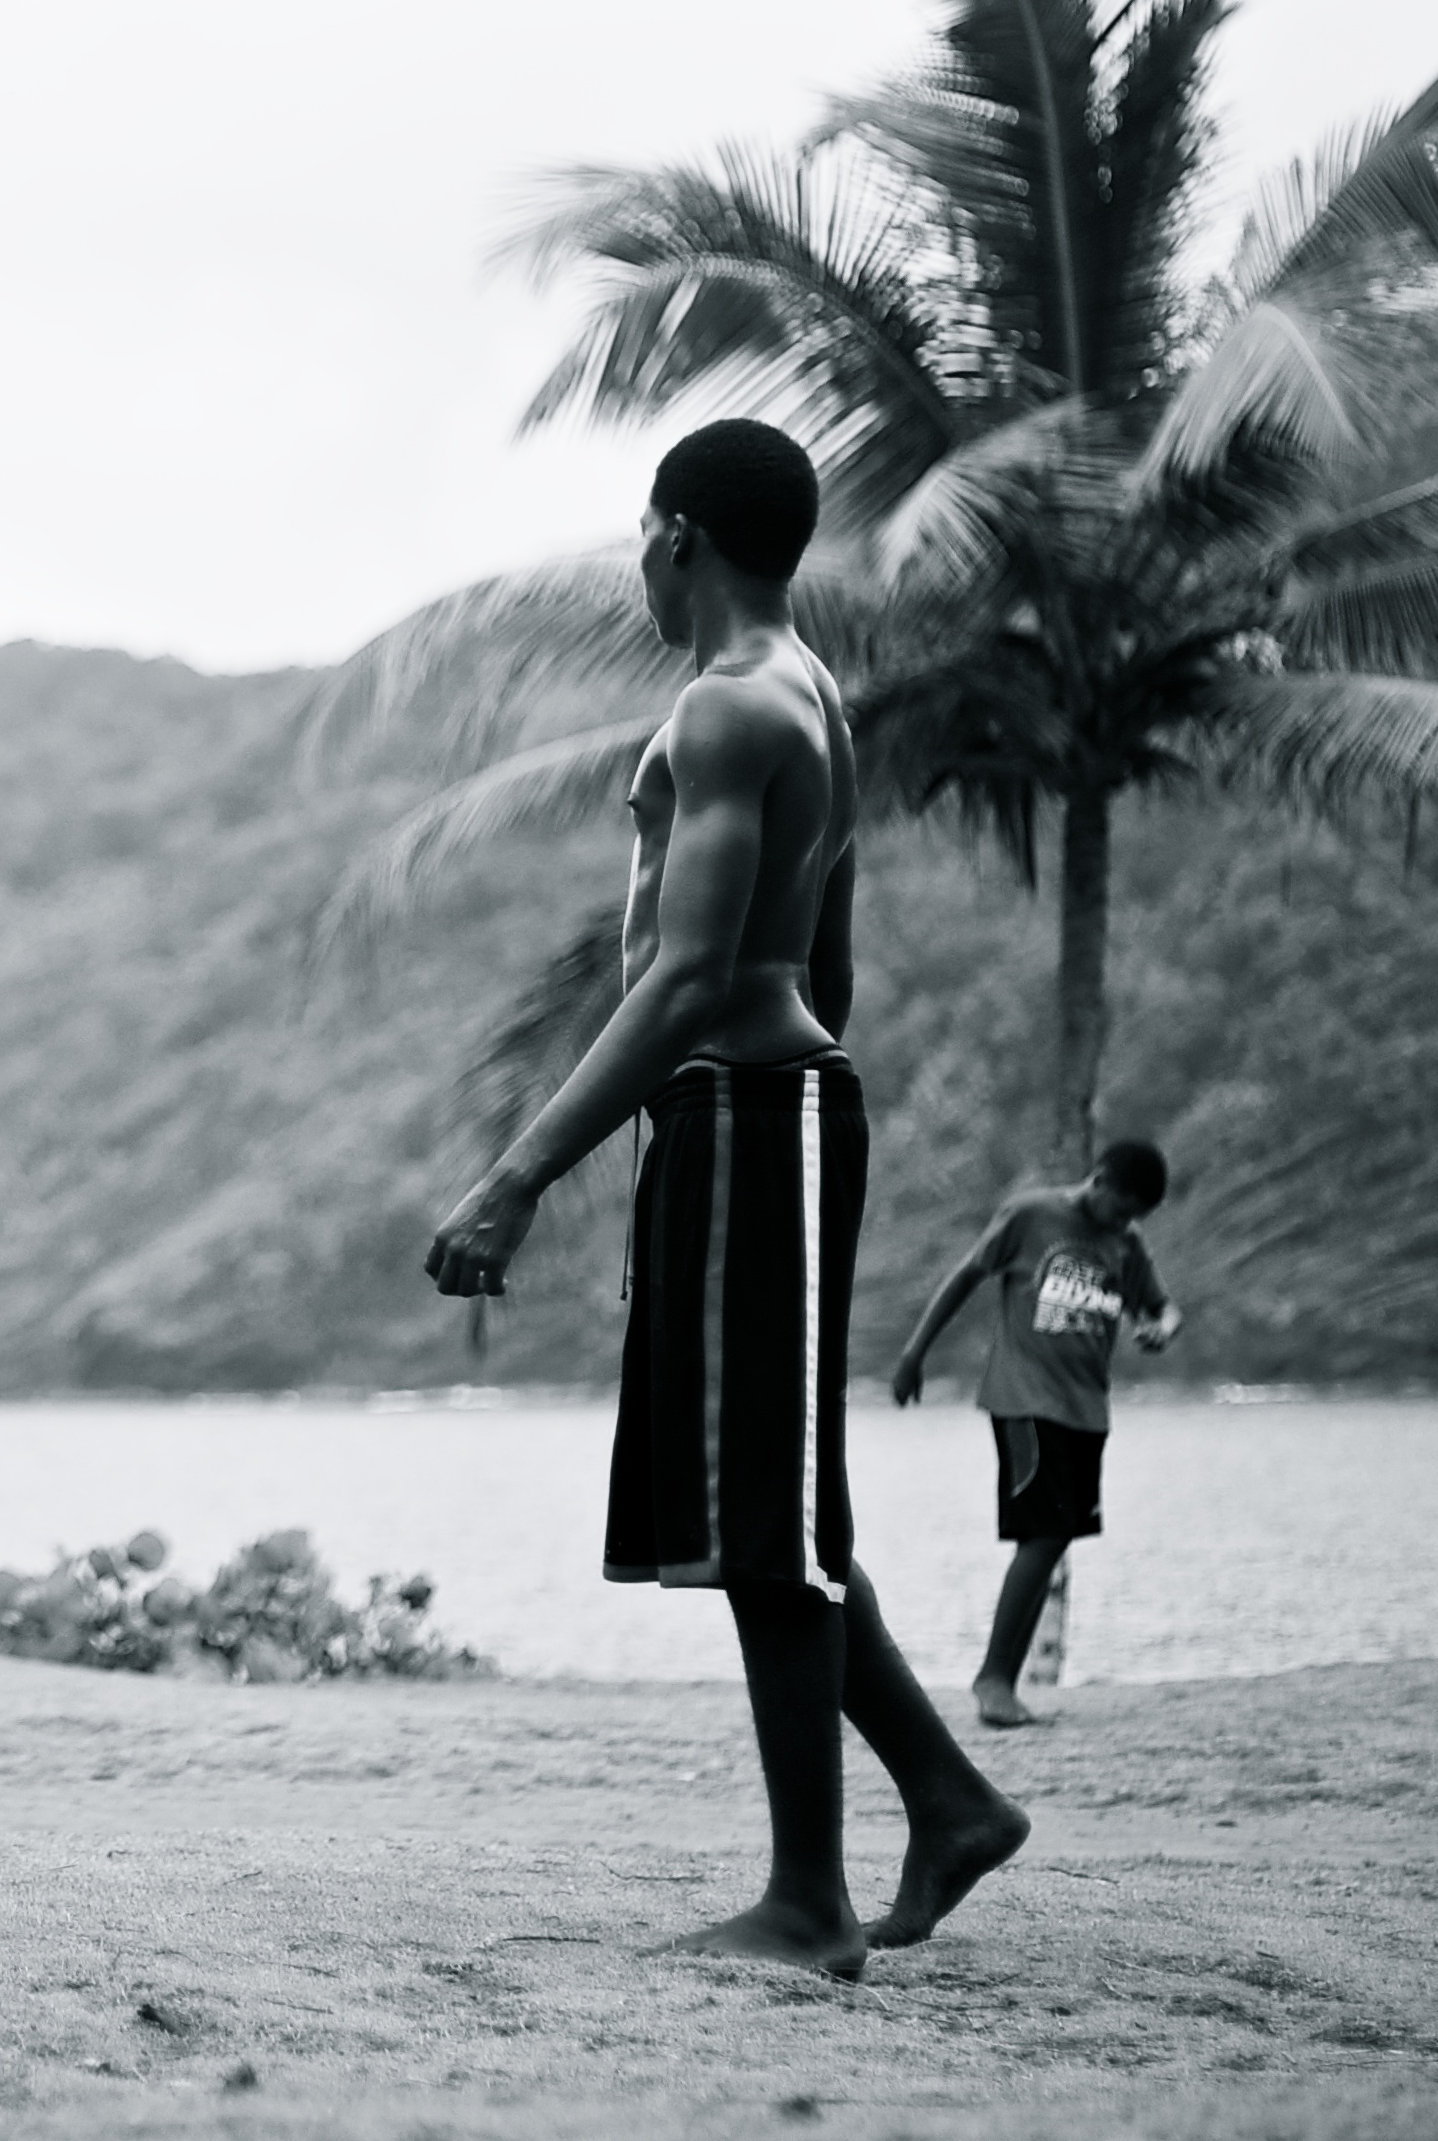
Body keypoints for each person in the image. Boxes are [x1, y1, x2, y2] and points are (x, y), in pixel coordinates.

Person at [424, 417, 1029, 1978]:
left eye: (643, 532)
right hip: (762, 1112)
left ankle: (808, 1901)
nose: (638, 557)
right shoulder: (807, 692)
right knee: (777, 1504)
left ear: (678, 535)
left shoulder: (728, 707)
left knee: (773, 1521)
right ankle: (950, 1801)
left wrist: (515, 1177)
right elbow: (826, 958)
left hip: (758, 1114)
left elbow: (692, 972)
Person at [893, 1139, 1184, 1727]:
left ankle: (1002, 1681)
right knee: (1044, 1534)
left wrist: (1163, 1329)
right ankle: (993, 1680)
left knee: (1055, 1538)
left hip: (1085, 1410)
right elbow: (966, 1276)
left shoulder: (1125, 1242)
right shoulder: (1031, 1216)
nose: (1124, 1223)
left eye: (1135, 1217)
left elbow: (1164, 1307)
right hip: (1025, 1400)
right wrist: (914, 1354)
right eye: (1121, 1209)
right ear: (1099, 1181)